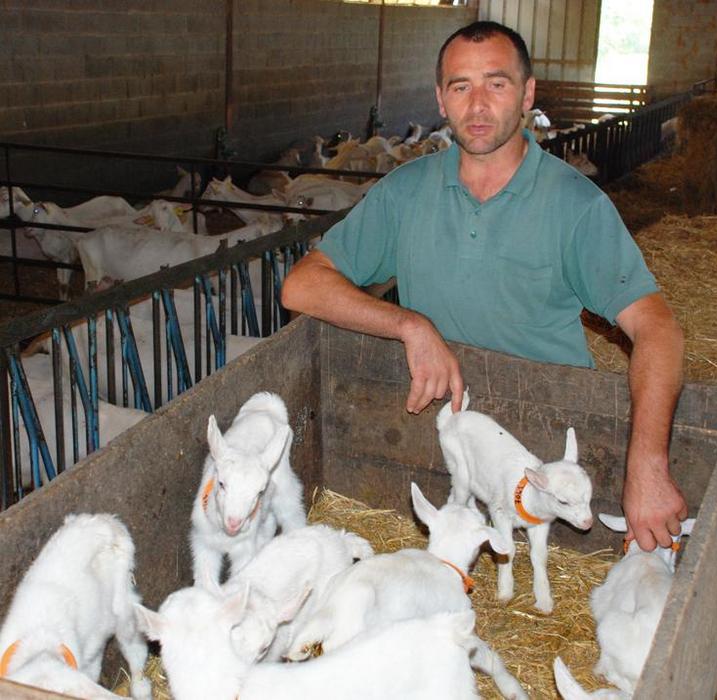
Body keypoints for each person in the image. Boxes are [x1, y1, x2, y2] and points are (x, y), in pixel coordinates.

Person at [281, 21, 686, 553]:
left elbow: (658, 330)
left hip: (549, 444)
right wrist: (410, 324)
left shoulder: (576, 206)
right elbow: (301, 286)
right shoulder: (406, 191)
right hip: (452, 436)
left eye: (496, 83)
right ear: (440, 100)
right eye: (460, 86)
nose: (477, 105)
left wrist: (647, 466)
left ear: (527, 94)